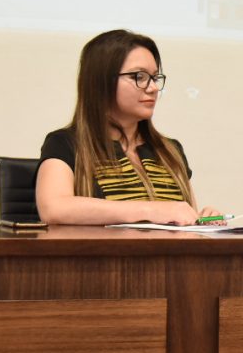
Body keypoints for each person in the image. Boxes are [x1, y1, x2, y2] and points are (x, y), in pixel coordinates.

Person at [35, 29, 220, 225]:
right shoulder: (66, 143)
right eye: (139, 77)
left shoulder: (170, 150)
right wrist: (149, 209)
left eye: (155, 77)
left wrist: (201, 219)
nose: (153, 88)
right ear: (102, 82)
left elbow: (184, 216)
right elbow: (53, 209)